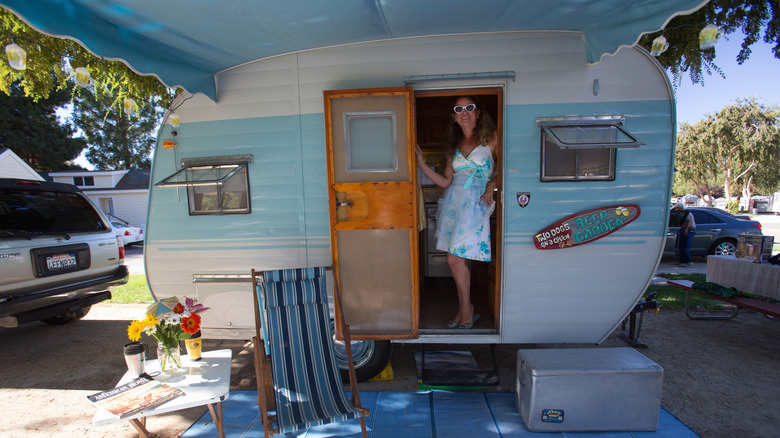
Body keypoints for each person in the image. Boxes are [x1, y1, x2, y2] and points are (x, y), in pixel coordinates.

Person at [415, 96, 498, 329]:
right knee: (455, 260)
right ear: (454, 116)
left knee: (454, 259)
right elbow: (445, 182)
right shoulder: (453, 148)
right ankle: (466, 309)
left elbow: (510, 167)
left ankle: (466, 309)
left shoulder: (492, 138)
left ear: (478, 112)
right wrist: (421, 165)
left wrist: (492, 185)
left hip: (476, 204)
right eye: (459, 109)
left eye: (470, 108)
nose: (465, 112)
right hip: (455, 204)